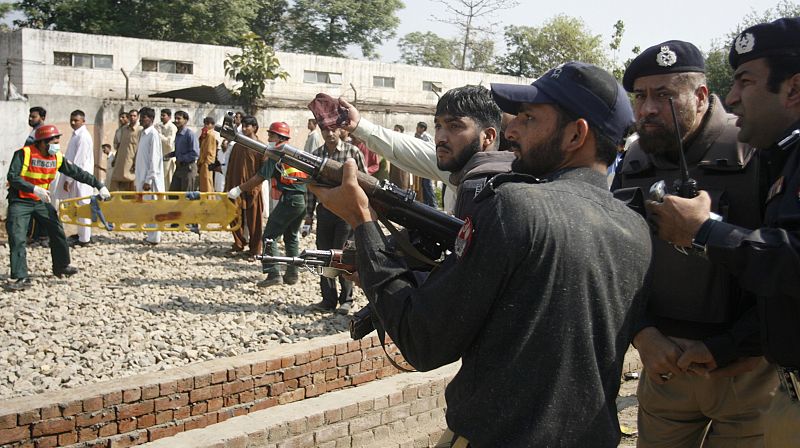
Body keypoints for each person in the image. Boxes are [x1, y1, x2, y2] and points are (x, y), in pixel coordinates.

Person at [308, 61, 651, 447]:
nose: (512, 129)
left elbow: (424, 342)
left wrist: (362, 221)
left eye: (529, 119)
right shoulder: (635, 227)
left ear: (576, 134)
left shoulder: (513, 206)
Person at [612, 40, 775, 448]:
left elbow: (783, 265)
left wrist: (730, 346)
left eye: (664, 95)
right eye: (640, 96)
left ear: (701, 96)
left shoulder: (756, 149)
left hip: (745, 373)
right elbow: (613, 264)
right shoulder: (635, 162)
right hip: (663, 367)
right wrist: (642, 334)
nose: (647, 108)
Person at [646, 18, 800, 447]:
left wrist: (705, 232)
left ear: (794, 88)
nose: (731, 98)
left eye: (744, 82)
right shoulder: (782, 157)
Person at [338, 85, 515, 219]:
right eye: (438, 126)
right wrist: (358, 125)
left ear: (489, 136)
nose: (440, 137)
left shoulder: (508, 194)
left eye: (454, 126)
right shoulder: (458, 167)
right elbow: (406, 149)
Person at [5, 124, 110, 291]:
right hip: (21, 200)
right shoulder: (24, 154)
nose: (56, 145)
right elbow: (13, 177)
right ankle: (20, 276)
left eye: (57, 141)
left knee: (57, 230)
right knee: (17, 237)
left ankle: (61, 266)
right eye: (52, 141)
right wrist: (34, 189)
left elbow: (77, 172)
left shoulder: (57, 157)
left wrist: (98, 185)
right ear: (41, 142)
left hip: (41, 201)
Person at [228, 122, 309, 287]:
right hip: (301, 200)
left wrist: (239, 189)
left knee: (269, 237)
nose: (268, 138)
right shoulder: (292, 152)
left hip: (288, 200)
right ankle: (292, 274)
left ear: (279, 137)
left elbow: (259, 177)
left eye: (271, 135)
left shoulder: (277, 153)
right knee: (291, 237)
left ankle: (273, 273)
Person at [305, 127, 366, 314]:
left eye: (332, 129)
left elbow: (365, 182)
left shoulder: (352, 152)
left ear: (340, 130)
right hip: (324, 212)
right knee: (323, 256)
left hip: (346, 214)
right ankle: (328, 299)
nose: (329, 134)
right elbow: (311, 187)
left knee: (343, 255)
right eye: (325, 130)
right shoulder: (316, 155)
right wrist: (309, 215)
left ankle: (346, 299)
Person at [54, 110, 96, 248]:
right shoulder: (76, 135)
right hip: (76, 177)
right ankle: (81, 234)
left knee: (83, 205)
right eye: (71, 120)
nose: (73, 122)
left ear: (83, 121)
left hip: (80, 178)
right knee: (78, 206)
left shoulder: (83, 137)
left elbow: (79, 162)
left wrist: (69, 179)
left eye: (76, 120)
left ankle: (85, 239)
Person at [225, 115, 264, 257]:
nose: (245, 128)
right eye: (243, 125)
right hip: (236, 187)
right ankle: (239, 243)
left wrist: (256, 187)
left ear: (254, 127)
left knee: (255, 220)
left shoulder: (260, 147)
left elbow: (263, 170)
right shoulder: (237, 145)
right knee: (234, 216)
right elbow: (231, 167)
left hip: (253, 187)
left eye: (248, 126)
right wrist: (229, 185)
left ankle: (255, 250)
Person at [135, 107, 165, 245]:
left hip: (150, 180)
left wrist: (148, 179)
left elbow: (155, 159)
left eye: (144, 117)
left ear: (151, 119)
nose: (141, 119)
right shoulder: (143, 134)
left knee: (153, 207)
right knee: (147, 207)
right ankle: (150, 235)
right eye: (141, 117)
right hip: (142, 177)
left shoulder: (153, 134)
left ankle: (154, 238)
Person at [168, 110, 199, 191]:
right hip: (179, 168)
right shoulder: (178, 134)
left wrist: (181, 158)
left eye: (179, 118)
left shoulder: (190, 134)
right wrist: (169, 155)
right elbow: (179, 151)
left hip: (188, 168)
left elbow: (195, 153)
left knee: (186, 196)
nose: (176, 121)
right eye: (175, 118)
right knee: (173, 194)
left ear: (185, 120)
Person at [109, 109, 140, 191]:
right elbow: (119, 145)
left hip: (131, 161)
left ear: (138, 117)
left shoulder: (140, 130)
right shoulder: (124, 129)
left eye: (134, 116)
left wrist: (136, 162)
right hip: (120, 160)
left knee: (130, 183)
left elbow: (139, 148)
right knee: (116, 181)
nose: (132, 118)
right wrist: (115, 158)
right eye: (131, 116)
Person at [414, 122, 438, 208]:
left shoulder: (426, 137)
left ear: (423, 128)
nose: (416, 129)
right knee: (423, 184)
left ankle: (433, 204)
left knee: (428, 184)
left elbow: (429, 149)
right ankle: (427, 204)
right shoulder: (417, 136)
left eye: (418, 127)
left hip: (428, 163)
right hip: (421, 163)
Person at [155, 108, 178, 187]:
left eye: (163, 115)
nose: (161, 117)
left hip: (169, 158)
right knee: (160, 180)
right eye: (161, 115)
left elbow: (169, 142)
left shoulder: (172, 127)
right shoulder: (158, 126)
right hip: (160, 156)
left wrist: (159, 135)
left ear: (169, 117)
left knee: (169, 180)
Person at [198, 116, 218, 193]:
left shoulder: (210, 134)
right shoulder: (206, 134)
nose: (206, 125)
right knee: (204, 181)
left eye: (208, 124)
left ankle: (209, 199)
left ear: (212, 125)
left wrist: (201, 161)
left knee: (207, 181)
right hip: (204, 160)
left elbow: (208, 150)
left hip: (207, 161)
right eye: (205, 124)